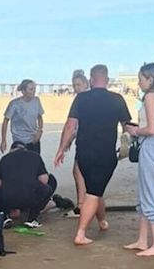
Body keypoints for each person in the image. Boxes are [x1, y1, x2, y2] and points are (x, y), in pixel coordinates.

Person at [54, 64, 131, 245]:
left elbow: (70, 125)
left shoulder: (81, 99)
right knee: (94, 192)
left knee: (95, 189)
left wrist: (61, 148)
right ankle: (80, 234)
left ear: (91, 79)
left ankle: (102, 221)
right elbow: (127, 127)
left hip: (84, 154)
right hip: (105, 154)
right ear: (107, 79)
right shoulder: (117, 99)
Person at [123, 63, 154, 257]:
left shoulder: (151, 97)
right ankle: (143, 240)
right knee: (146, 193)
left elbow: (151, 129)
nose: (138, 83)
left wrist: (135, 130)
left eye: (141, 79)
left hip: (151, 146)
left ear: (150, 80)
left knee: (149, 195)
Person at [0, 141, 57, 228]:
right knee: (47, 189)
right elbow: (44, 180)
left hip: (8, 199)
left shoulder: (4, 158)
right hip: (29, 197)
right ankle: (31, 219)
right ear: (25, 149)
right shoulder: (35, 156)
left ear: (11, 150)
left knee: (0, 191)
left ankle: (5, 217)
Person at [65, 69, 90, 218]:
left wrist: (67, 141)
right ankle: (85, 204)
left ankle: (81, 206)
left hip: (85, 142)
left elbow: (73, 124)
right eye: (74, 85)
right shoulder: (88, 98)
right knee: (82, 172)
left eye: (79, 84)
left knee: (78, 171)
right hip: (86, 140)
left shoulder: (82, 100)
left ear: (86, 83)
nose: (76, 88)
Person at [0, 79, 44, 154]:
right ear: (23, 91)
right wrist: (3, 140)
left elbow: (40, 117)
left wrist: (39, 131)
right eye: (31, 89)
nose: (34, 91)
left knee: (34, 163)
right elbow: (5, 121)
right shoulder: (14, 104)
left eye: (34, 89)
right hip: (19, 141)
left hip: (34, 140)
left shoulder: (37, 101)